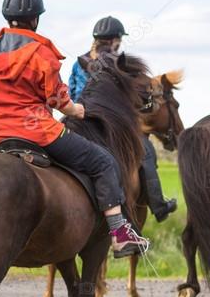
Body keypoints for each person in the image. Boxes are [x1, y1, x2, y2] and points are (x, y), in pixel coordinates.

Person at [0, 0, 150, 258]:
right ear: (35, 19)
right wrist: (76, 111)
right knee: (103, 162)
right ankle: (120, 234)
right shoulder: (40, 51)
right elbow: (57, 97)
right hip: (38, 132)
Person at [68, 16, 178, 222]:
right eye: (119, 39)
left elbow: (71, 92)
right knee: (146, 151)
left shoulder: (79, 63)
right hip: (111, 125)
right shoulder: (118, 62)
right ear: (114, 40)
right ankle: (159, 205)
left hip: (80, 121)